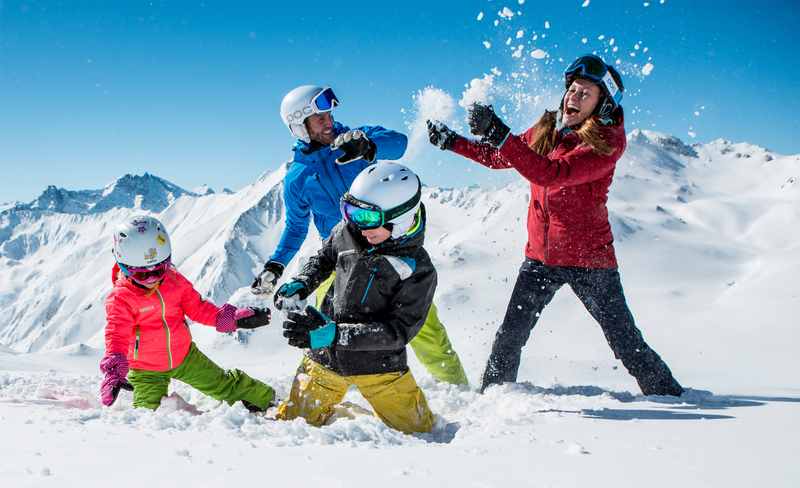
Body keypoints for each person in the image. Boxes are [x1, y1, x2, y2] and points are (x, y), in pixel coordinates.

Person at [427, 54, 684, 396]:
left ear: (602, 105)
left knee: (624, 340)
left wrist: (499, 132)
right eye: (573, 90)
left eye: (585, 94)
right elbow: (499, 157)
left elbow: (549, 175)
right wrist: (453, 141)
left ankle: (669, 396)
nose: (573, 98)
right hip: (540, 259)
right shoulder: (550, 128)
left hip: (589, 261)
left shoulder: (605, 143)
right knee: (510, 335)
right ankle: (492, 398)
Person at [251, 85, 468, 385]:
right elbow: (296, 227)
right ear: (300, 128)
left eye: (328, 114)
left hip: (388, 251)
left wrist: (368, 146)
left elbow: (399, 142)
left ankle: (457, 388)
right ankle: (317, 394)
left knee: (423, 326)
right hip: (339, 258)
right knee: (323, 329)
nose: (328, 122)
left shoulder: (353, 140)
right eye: (318, 119)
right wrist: (276, 264)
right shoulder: (297, 179)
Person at [273, 162, 436, 433]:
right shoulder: (351, 231)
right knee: (293, 425)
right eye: (351, 212)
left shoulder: (417, 269)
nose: (359, 226)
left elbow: (397, 332)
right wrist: (303, 282)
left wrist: (335, 334)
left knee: (421, 433)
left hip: (381, 369)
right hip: (325, 358)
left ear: (402, 220)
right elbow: (324, 257)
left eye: (369, 218)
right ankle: (341, 415)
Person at [100, 215, 275, 411]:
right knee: (148, 413)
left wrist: (230, 319)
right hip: (145, 369)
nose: (151, 278)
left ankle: (267, 401)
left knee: (223, 384)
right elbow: (116, 334)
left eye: (158, 271)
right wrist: (114, 372)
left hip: (185, 356)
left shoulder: (174, 281)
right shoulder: (121, 297)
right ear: (124, 265)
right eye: (141, 273)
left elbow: (199, 308)